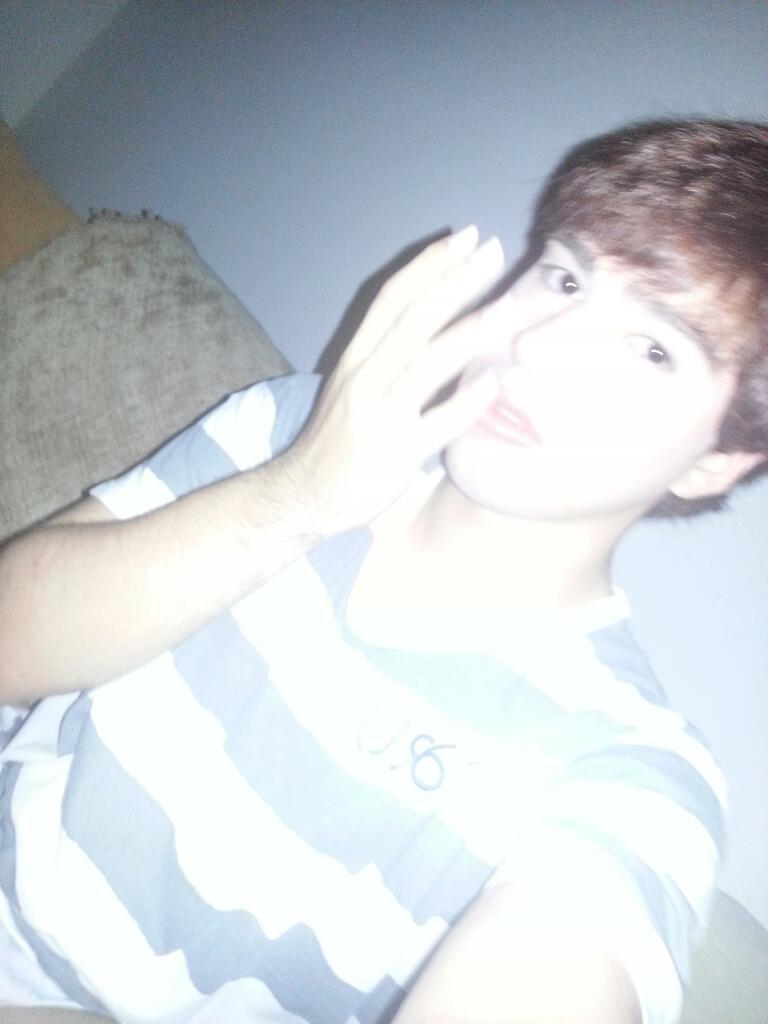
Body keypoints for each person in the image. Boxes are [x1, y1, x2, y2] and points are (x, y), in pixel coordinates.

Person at [0, 118, 766, 1024]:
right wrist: (298, 495)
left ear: (712, 461)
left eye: (653, 349)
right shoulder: (294, 430)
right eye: (565, 278)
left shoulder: (631, 770)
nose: (542, 347)